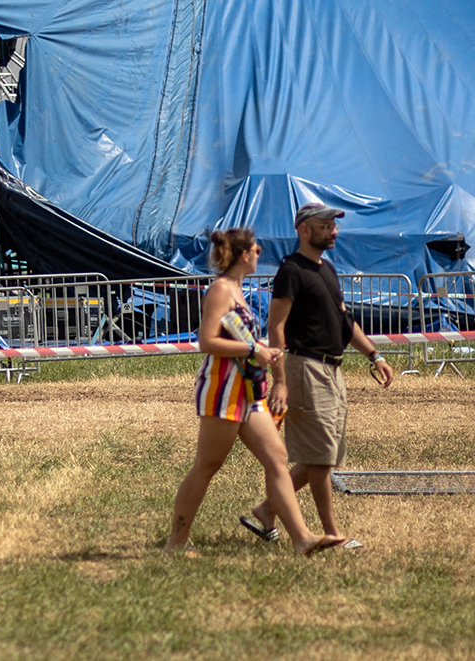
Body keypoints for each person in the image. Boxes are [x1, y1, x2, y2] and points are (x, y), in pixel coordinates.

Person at [164, 227, 345, 557]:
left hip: (248, 390)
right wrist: (254, 350)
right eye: (256, 249)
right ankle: (175, 543)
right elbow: (207, 342)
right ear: (244, 255)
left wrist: (260, 352)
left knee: (277, 458)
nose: (260, 252)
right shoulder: (221, 289)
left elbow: (236, 338)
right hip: (223, 388)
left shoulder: (237, 289)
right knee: (207, 465)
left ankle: (302, 538)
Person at [244, 202, 396, 550]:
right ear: (304, 229)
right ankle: (333, 533)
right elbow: (276, 326)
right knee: (322, 458)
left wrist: (375, 354)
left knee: (319, 454)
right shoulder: (291, 271)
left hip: (331, 368)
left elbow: (345, 321)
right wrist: (280, 379)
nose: (334, 230)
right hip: (305, 367)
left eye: (334, 225)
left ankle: (266, 510)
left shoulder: (327, 269)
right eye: (325, 224)